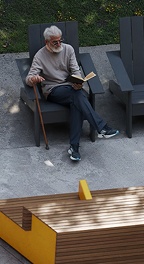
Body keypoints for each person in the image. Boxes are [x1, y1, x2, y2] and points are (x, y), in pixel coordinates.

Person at [26, 25, 118, 162]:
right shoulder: (40, 56)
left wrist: (78, 81)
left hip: (71, 88)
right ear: (47, 42)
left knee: (76, 100)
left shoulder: (68, 49)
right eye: (55, 42)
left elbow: (75, 70)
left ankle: (74, 148)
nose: (59, 44)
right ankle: (102, 127)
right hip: (53, 91)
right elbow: (29, 79)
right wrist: (34, 79)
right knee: (77, 96)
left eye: (60, 40)